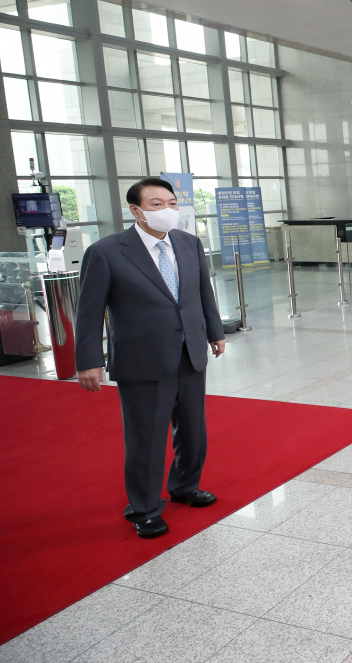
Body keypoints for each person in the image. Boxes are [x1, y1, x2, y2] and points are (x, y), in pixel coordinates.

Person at [73, 177, 225, 539]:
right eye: (157, 204)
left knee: (193, 432)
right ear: (136, 211)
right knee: (147, 438)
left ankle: (185, 487)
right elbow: (89, 311)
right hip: (142, 360)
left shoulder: (189, 243)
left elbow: (203, 292)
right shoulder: (108, 251)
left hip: (190, 352)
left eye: (172, 202)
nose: (168, 210)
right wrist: (88, 360)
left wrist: (215, 332)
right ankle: (143, 508)